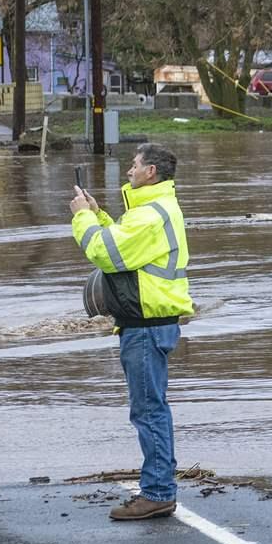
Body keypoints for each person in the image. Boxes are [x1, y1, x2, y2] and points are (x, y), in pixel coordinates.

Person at [70, 143, 193, 521]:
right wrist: (99, 214)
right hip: (151, 325)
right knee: (153, 408)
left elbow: (105, 253)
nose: (128, 171)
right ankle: (159, 487)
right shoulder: (150, 210)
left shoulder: (150, 215)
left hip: (145, 328)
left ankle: (157, 493)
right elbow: (126, 244)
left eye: (134, 165)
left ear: (151, 172)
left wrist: (81, 219)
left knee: (148, 411)